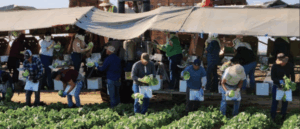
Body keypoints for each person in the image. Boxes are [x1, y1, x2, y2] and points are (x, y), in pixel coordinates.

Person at [270, 53, 294, 121]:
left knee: (285, 102)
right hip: (277, 86)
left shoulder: (289, 65)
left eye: (283, 62)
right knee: (275, 102)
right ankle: (273, 117)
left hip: (286, 87)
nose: (281, 64)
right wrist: (279, 81)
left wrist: (292, 83)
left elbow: (292, 75)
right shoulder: (275, 66)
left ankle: (283, 117)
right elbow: (273, 77)